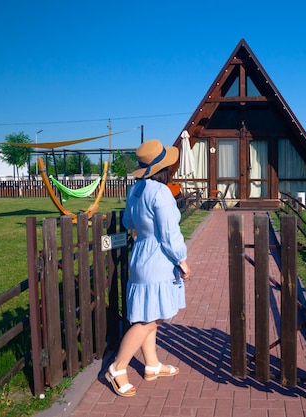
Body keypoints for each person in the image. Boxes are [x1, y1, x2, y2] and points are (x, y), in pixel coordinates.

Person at [105, 139, 191, 397]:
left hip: (140, 253)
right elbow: (169, 233)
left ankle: (151, 364)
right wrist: (182, 259)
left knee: (147, 311)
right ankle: (117, 368)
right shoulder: (161, 192)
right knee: (150, 318)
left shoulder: (136, 189)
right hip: (158, 257)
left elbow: (128, 220)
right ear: (163, 167)